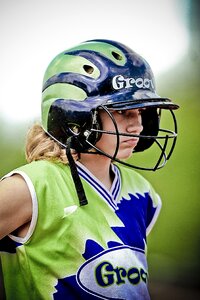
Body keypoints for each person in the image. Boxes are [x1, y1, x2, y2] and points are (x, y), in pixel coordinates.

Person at [0, 39, 179, 300]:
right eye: (122, 112)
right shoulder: (32, 187)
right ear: (75, 117)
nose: (138, 126)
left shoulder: (143, 193)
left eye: (141, 112)